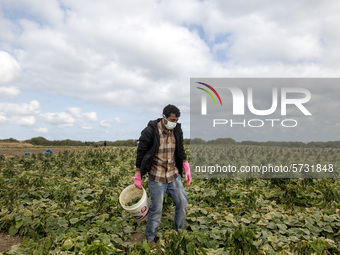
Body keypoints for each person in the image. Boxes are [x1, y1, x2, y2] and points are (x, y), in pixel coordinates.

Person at [134, 104, 192, 245]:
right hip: (157, 176)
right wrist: (138, 173)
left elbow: (180, 149)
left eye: (177, 120)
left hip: (173, 174)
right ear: (164, 117)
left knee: (182, 202)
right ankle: (150, 238)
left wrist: (185, 164)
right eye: (172, 119)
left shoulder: (177, 130)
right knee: (157, 209)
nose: (174, 123)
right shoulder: (149, 131)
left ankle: (179, 232)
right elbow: (141, 152)